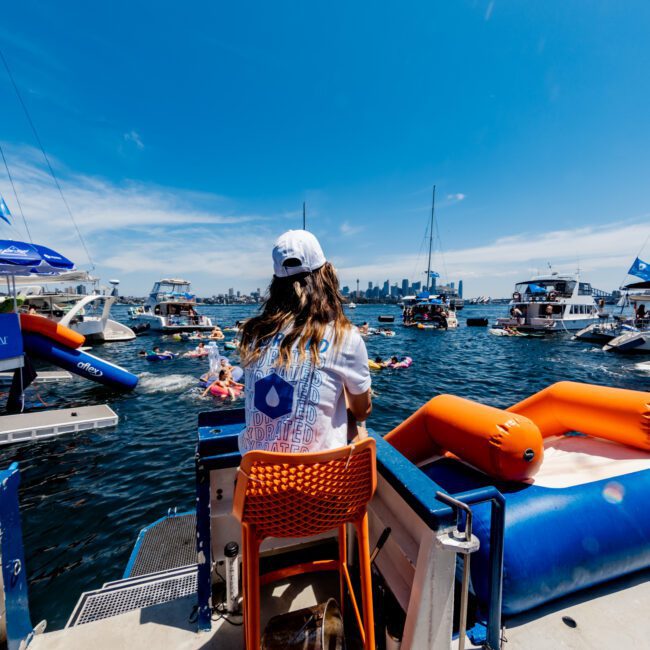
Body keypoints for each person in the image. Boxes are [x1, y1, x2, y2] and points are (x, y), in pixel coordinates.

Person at [238, 230, 372, 455]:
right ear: (326, 274)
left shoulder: (253, 332)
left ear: (276, 283)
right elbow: (362, 411)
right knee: (359, 429)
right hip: (319, 484)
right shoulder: (344, 336)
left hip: (257, 482)